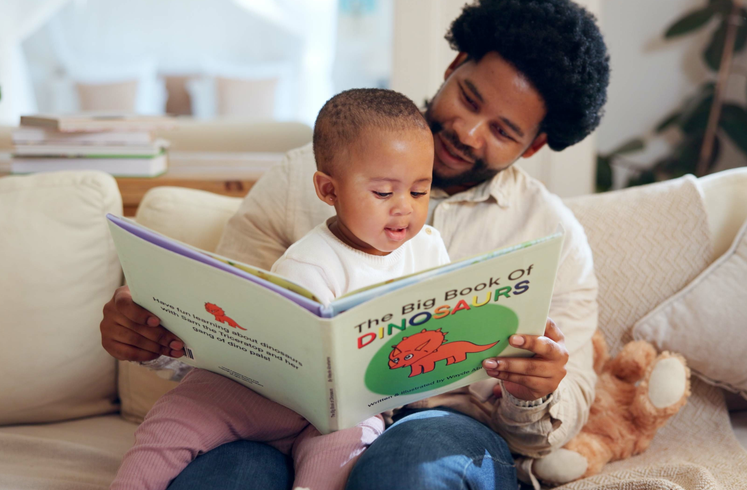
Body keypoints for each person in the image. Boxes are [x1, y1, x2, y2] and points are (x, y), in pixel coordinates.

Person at [99, 0, 610, 488]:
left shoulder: (552, 237)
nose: (468, 132)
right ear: (454, 65)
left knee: (409, 470)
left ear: (535, 144)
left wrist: (532, 391)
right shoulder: (306, 173)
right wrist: (154, 338)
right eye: (470, 99)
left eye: (502, 130)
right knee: (231, 476)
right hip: (282, 415)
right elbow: (229, 333)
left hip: (441, 424)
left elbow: (554, 426)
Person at [110, 89, 451, 490]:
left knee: (351, 445)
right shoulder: (307, 261)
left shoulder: (429, 248)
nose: (405, 208)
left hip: (347, 410)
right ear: (329, 190)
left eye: (419, 190)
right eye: (382, 193)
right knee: (176, 417)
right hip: (264, 399)